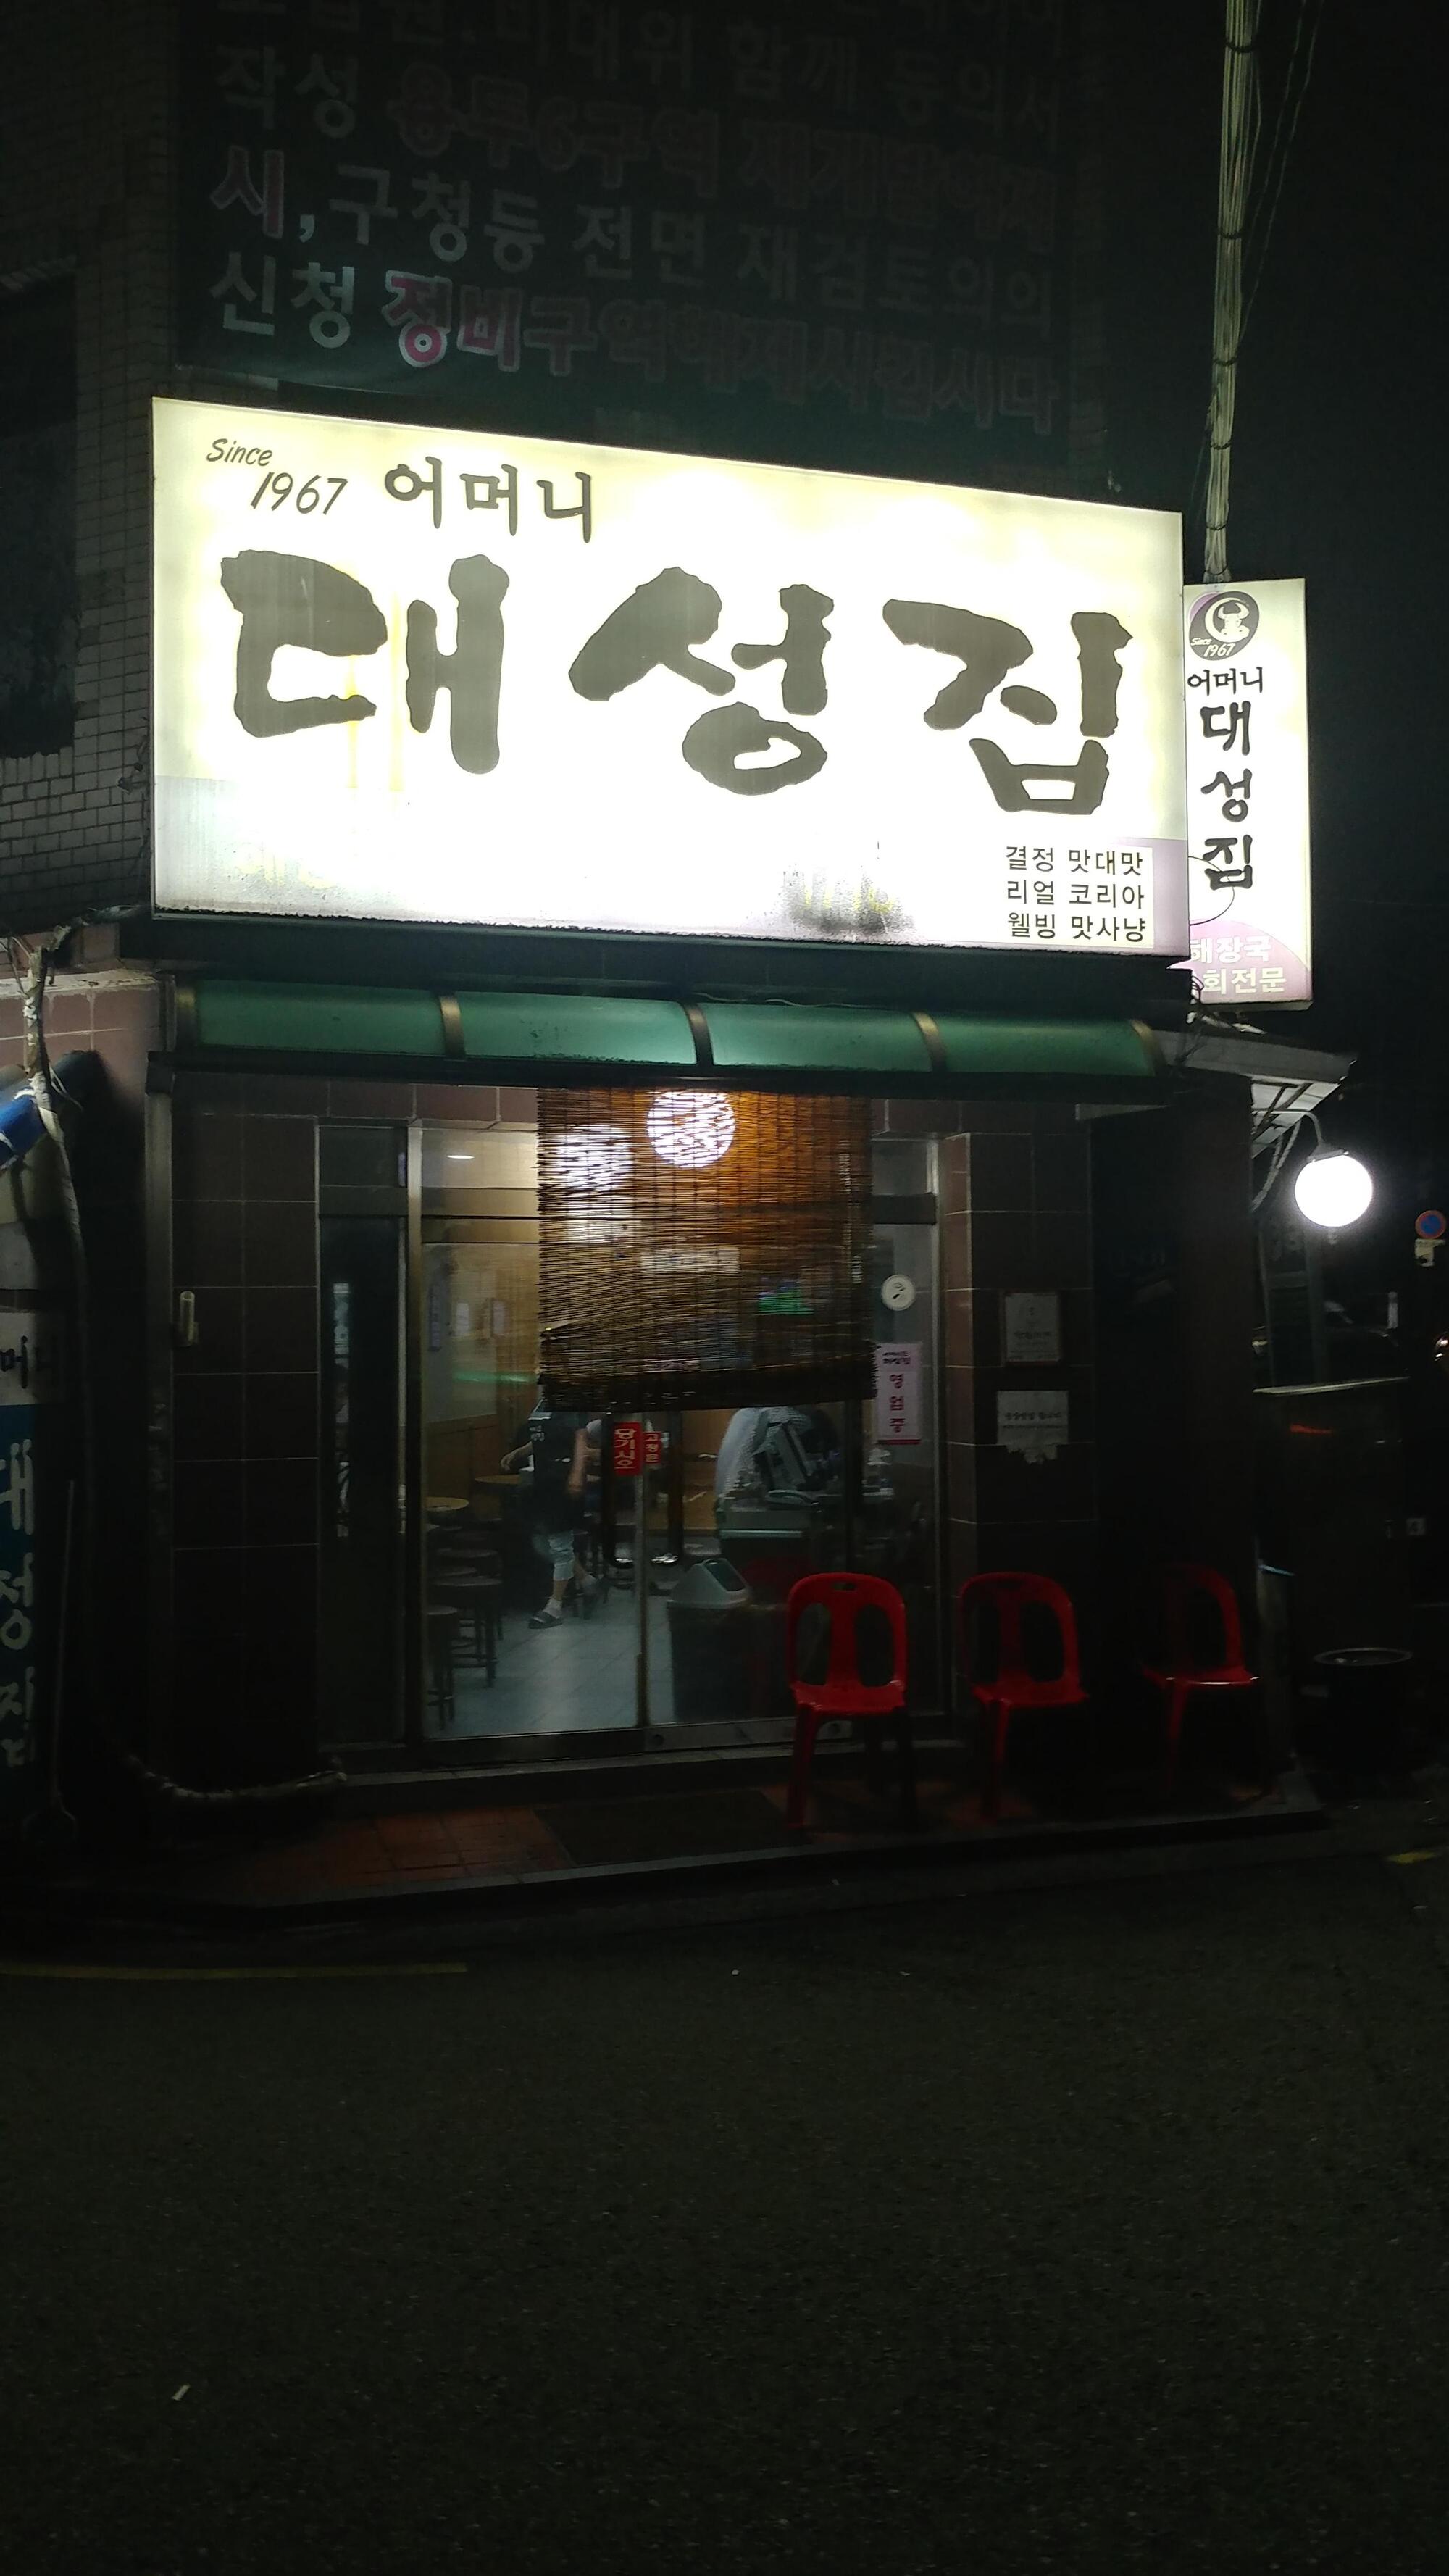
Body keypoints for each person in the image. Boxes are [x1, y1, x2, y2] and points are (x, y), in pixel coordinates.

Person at [501, 1396, 602, 1628]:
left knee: (559, 1544)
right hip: (542, 1479)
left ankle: (554, 1607)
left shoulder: (571, 1403)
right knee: (541, 1541)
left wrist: (577, 1473)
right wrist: (519, 1452)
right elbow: (542, 1438)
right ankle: (588, 1582)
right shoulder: (543, 1403)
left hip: (563, 1478)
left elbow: (580, 1439)